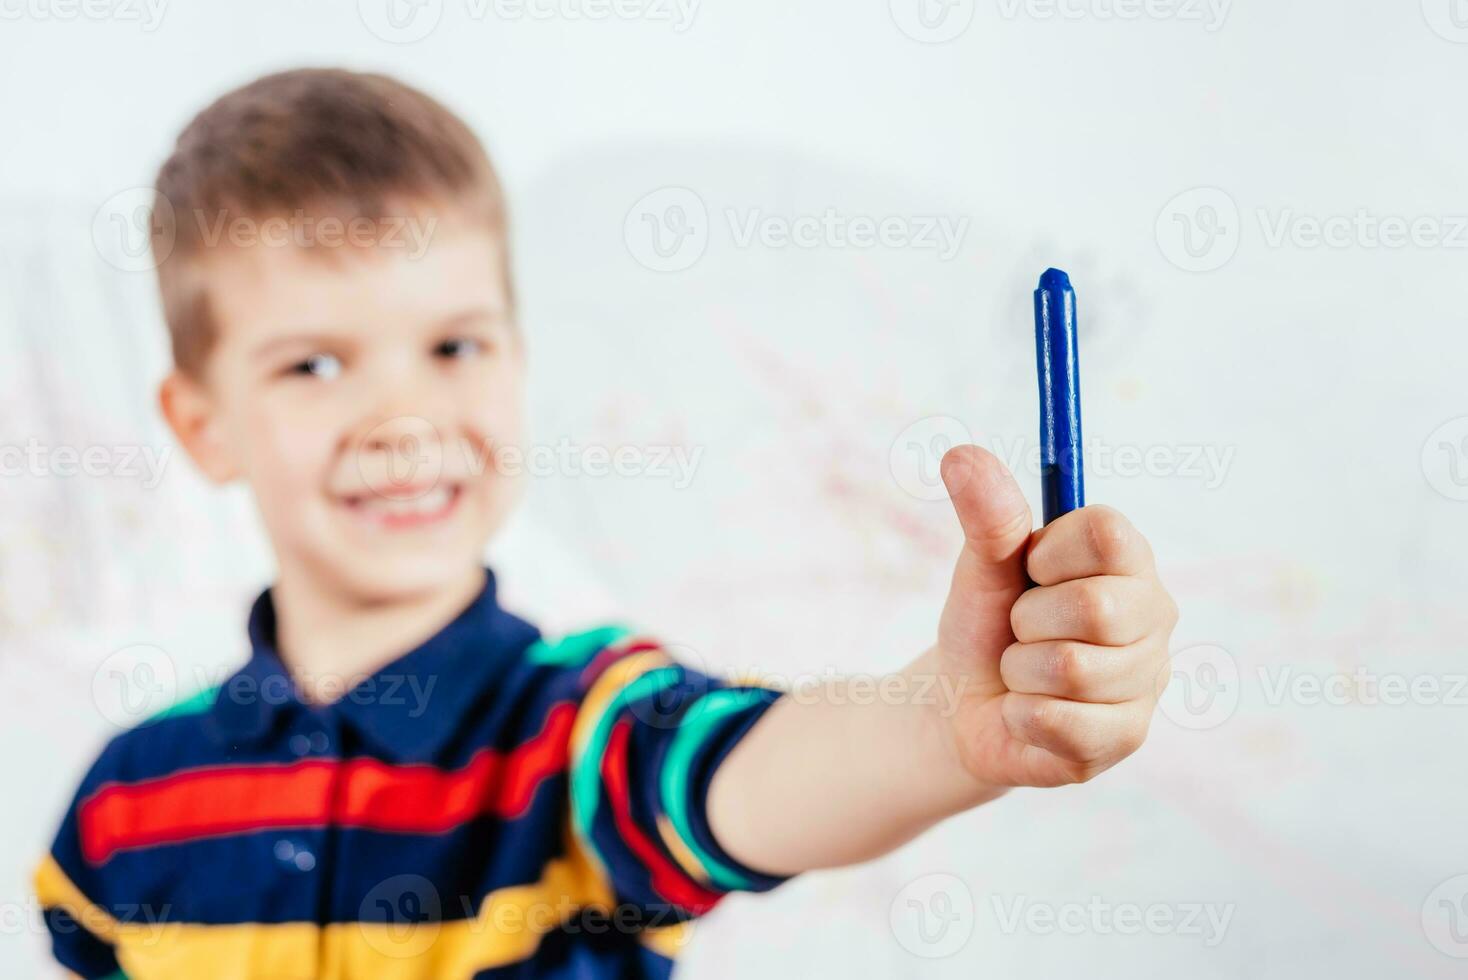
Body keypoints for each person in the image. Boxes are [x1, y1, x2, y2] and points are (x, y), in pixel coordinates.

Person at [34, 67, 1177, 979]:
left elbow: (746, 773)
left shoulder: (586, 731)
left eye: (453, 345)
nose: (402, 413)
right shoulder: (122, 806)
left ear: (518, 364)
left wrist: (932, 721)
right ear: (203, 424)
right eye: (316, 361)